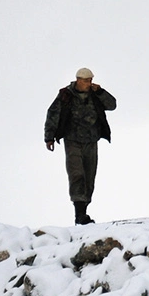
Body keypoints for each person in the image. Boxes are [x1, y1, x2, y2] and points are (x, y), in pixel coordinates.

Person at [44, 67, 117, 225]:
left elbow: (112, 105)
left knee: (89, 177)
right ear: (78, 80)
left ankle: (84, 210)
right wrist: (49, 137)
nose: (89, 83)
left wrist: (100, 92)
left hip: (91, 140)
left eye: (90, 80)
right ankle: (79, 214)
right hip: (72, 141)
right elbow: (53, 114)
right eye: (86, 81)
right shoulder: (66, 95)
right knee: (77, 175)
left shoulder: (95, 94)